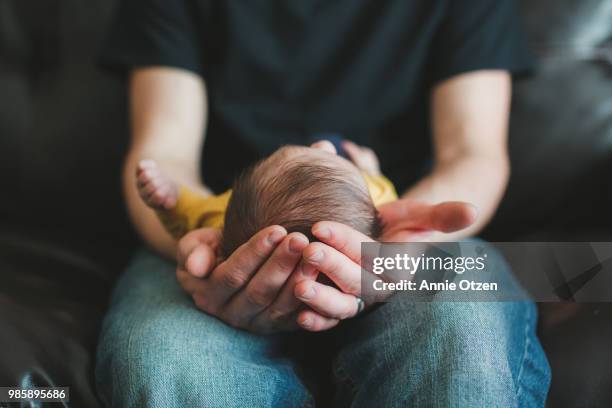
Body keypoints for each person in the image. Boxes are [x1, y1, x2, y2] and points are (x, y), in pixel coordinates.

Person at [96, 0, 551, 406]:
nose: (320, 144)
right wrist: (195, 245)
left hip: (404, 230)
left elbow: (472, 155)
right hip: (223, 228)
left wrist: (406, 237)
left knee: (463, 336)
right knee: (164, 357)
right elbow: (162, 153)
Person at [136, 143, 398, 255]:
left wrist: (170, 199)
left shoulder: (220, 216)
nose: (322, 144)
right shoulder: (377, 196)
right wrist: (370, 170)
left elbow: (185, 216)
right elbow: (382, 184)